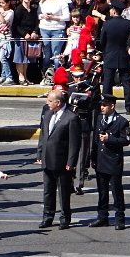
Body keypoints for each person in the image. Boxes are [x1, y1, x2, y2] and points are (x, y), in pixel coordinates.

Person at [36, 90, 82, 230]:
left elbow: (75, 143)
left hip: (62, 161)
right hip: (47, 159)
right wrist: (39, 153)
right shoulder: (48, 114)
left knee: (63, 192)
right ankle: (47, 216)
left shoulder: (71, 118)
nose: (47, 103)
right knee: (48, 191)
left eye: (50, 101)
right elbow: (43, 136)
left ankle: (65, 217)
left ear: (58, 102)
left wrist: (71, 162)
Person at [89, 94, 130, 230]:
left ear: (112, 106)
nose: (102, 107)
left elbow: (126, 140)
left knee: (116, 191)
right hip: (101, 160)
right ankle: (102, 217)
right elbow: (95, 140)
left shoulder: (121, 121)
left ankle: (120, 218)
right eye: (101, 105)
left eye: (105, 105)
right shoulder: (100, 118)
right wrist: (92, 157)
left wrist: (110, 139)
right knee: (102, 191)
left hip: (113, 162)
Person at [100, 0, 130, 115]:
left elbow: (102, 41)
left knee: (108, 83)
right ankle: (129, 107)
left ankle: (107, 104)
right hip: (123, 55)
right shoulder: (128, 24)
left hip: (110, 55)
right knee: (126, 83)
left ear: (114, 10)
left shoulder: (107, 24)